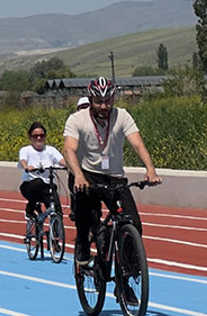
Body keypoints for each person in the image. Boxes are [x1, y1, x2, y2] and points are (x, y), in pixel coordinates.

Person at [62, 78, 162, 303]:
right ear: (90, 100)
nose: (104, 107)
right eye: (98, 102)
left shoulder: (122, 116)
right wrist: (78, 174)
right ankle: (83, 245)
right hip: (87, 175)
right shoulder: (76, 119)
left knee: (133, 224)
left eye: (108, 101)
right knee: (86, 216)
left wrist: (150, 169)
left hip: (115, 178)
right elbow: (69, 149)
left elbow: (137, 143)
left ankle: (125, 279)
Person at [18, 121, 64, 218]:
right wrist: (27, 167)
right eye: (35, 136)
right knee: (38, 182)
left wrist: (68, 164)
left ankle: (56, 230)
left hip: (47, 187)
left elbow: (61, 160)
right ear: (30, 138)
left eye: (41, 135)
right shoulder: (26, 150)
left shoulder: (51, 150)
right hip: (29, 186)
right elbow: (23, 161)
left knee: (57, 210)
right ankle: (30, 209)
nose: (39, 138)